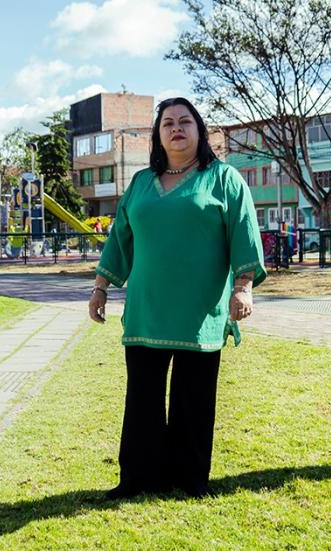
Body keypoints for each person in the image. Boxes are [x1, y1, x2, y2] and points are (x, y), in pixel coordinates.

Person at [87, 97, 266, 500]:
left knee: (194, 399)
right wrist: (100, 287)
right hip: (147, 310)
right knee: (142, 399)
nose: (176, 128)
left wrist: (243, 287)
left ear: (200, 131)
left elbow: (244, 234)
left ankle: (189, 480)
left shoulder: (224, 179)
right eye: (167, 122)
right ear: (158, 134)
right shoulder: (140, 183)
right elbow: (120, 240)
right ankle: (139, 479)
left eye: (186, 121)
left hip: (200, 311)